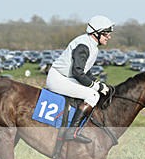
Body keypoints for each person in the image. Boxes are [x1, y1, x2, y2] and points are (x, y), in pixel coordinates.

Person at [45, 15, 115, 143]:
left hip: (65, 77)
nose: (109, 37)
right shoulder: (84, 45)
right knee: (93, 95)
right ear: (96, 33)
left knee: (95, 90)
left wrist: (99, 83)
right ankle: (71, 132)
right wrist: (97, 87)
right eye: (106, 34)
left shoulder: (91, 45)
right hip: (58, 79)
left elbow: (85, 72)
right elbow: (77, 72)